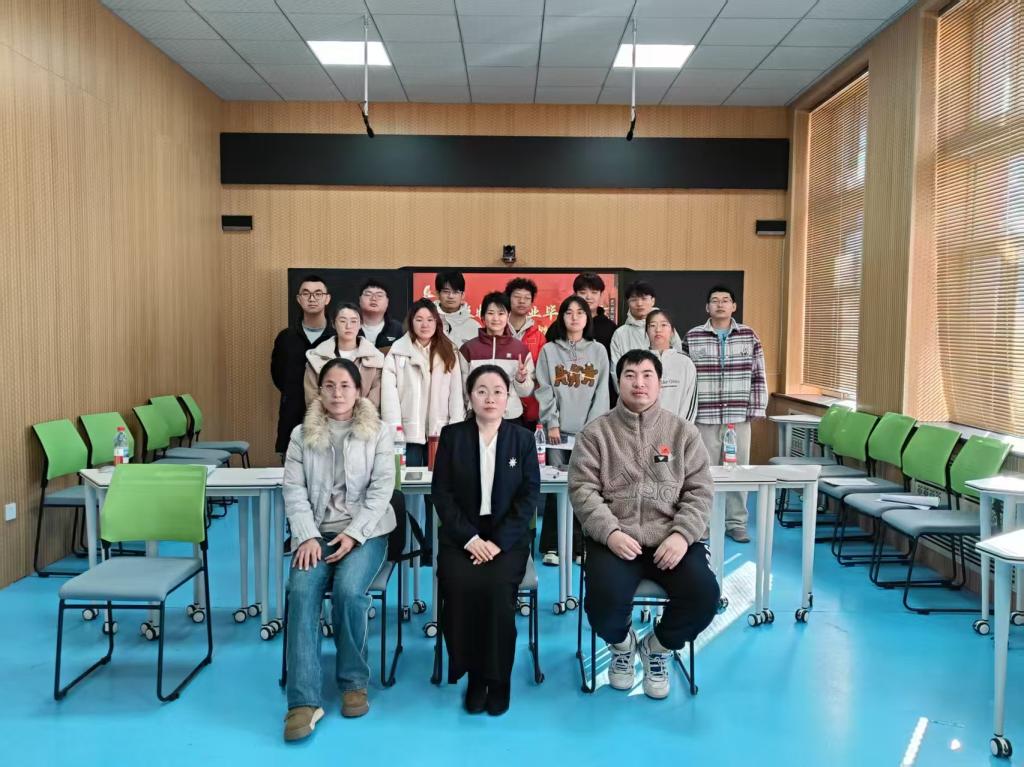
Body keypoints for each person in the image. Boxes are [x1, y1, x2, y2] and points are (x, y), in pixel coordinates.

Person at [568, 349, 719, 700]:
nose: (639, 383)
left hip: (671, 540)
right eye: (630, 375)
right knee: (603, 601)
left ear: (659, 383)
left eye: (647, 375)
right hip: (617, 541)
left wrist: (682, 535)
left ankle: (657, 647)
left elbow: (700, 491)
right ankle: (623, 646)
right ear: (618, 381)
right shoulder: (595, 434)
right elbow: (582, 490)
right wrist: (610, 533)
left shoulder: (683, 433)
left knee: (704, 596)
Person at [281, 358, 397, 741]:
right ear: (320, 391)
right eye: (329, 386)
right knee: (301, 590)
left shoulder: (378, 432)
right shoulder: (301, 435)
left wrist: (354, 534)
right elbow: (293, 490)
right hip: (315, 532)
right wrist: (306, 535)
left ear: (359, 390)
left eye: (345, 385)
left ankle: (353, 682)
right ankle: (303, 700)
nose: (337, 393)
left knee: (348, 590)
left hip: (367, 531)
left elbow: (381, 490)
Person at [431, 364, 540, 716]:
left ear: (508, 398)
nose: (490, 398)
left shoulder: (522, 439)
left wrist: (498, 542)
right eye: (482, 391)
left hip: (507, 538)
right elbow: (442, 493)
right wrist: (469, 538)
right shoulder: (453, 436)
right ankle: (475, 675)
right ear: (470, 396)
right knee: (459, 588)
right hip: (461, 536)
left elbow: (529, 496)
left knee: (496, 592)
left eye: (497, 391)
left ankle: (499, 678)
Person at [681, 285, 767, 543]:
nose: (720, 304)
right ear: (707, 307)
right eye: (715, 300)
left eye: (725, 300)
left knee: (738, 472)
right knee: (702, 474)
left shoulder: (749, 335)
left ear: (734, 306)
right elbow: (685, 379)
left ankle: (736, 523)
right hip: (704, 417)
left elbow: (759, 374)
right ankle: (702, 523)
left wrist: (757, 407)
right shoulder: (693, 337)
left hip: (737, 417)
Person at [534, 295, 610, 566]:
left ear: (587, 318)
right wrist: (551, 422)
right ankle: (553, 546)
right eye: (569, 312)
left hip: (588, 435)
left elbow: (602, 392)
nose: (575, 317)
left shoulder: (598, 351)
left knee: (585, 489)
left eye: (580, 312)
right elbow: (544, 388)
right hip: (557, 435)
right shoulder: (549, 351)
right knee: (557, 488)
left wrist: (592, 430)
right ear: (561, 317)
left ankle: (582, 547)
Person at [380, 299, 465, 468]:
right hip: (407, 433)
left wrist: (455, 429)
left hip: (440, 432)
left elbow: (456, 394)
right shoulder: (398, 351)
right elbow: (389, 397)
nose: (425, 325)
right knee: (406, 479)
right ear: (411, 322)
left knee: (439, 479)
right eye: (419, 319)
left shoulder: (449, 351)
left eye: (430, 319)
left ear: (437, 322)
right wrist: (395, 431)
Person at [272, 274, 334, 459]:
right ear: (299, 299)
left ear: (327, 298)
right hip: (292, 415)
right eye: (306, 294)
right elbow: (278, 375)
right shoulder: (286, 338)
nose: (312, 298)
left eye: (318, 293)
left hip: (329, 416)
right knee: (292, 469)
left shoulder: (336, 337)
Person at [459, 292, 535, 422]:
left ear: (508, 316)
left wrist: (521, 380)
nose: (496, 318)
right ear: (482, 317)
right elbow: (463, 389)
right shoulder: (468, 349)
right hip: (477, 417)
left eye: (501, 313)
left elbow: (526, 392)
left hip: (510, 417)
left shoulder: (520, 349)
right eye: (490, 313)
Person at [304, 303, 384, 410]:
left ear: (361, 324)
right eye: (342, 321)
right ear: (333, 324)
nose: (348, 326)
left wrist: (359, 415)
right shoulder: (316, 357)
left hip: (364, 417)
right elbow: (312, 397)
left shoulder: (375, 358)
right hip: (325, 417)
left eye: (354, 321)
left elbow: (375, 396)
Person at [609, 280, 682, 379]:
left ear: (653, 300)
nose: (639, 303)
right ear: (628, 302)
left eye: (644, 298)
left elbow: (678, 358)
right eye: (634, 300)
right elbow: (616, 370)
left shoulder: (665, 326)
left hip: (669, 385)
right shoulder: (620, 334)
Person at [505, 277, 546, 431]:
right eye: (517, 296)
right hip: (503, 406)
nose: (522, 301)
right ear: (508, 299)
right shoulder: (498, 332)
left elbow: (543, 375)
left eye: (527, 298)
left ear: (532, 303)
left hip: (531, 406)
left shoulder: (539, 337)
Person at [646, 309, 698, 423]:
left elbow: (690, 404)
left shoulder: (685, 363)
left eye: (663, 325)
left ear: (673, 332)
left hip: (677, 429)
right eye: (652, 325)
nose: (658, 330)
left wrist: (680, 430)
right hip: (644, 429)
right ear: (647, 332)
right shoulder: (639, 362)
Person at [434, 270, 480, 348]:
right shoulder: (427, 322)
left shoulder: (474, 327)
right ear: (438, 294)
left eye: (455, 292)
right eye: (446, 291)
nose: (451, 296)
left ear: (462, 295)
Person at [356, 279, 404, 352]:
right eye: (368, 294)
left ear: (387, 302)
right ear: (359, 300)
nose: (373, 298)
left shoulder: (398, 329)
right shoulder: (349, 326)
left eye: (379, 295)